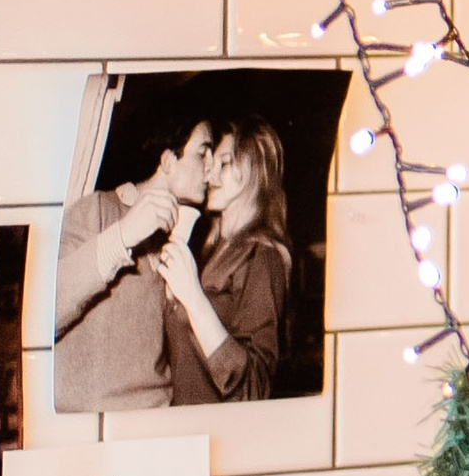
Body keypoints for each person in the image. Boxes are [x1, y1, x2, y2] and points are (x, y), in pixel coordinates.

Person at [52, 123, 211, 412]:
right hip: (94, 425)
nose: (211, 167)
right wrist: (122, 235)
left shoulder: (183, 238)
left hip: (159, 420)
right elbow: (43, 315)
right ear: (167, 161)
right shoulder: (97, 210)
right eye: (202, 153)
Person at [157, 121, 292, 405]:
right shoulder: (211, 249)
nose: (210, 173)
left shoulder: (263, 256)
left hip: (221, 426)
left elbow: (254, 388)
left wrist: (192, 297)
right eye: (209, 162)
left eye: (224, 163)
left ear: (253, 171)